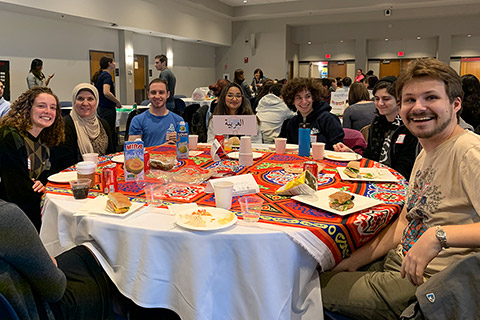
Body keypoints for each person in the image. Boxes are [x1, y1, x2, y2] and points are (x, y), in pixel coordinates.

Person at [321, 58, 480, 319]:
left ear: (455, 104)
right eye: (409, 100)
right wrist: (355, 262)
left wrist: (438, 236)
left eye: (431, 97)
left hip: (429, 285)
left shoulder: (469, 152)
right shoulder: (427, 149)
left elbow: (431, 233)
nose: (418, 108)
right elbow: (404, 222)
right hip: (398, 262)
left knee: (302, 286)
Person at [0, 199, 117, 319]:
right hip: (36, 311)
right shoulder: (6, 216)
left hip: (15, 300)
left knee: (85, 253)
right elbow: (55, 290)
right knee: (103, 266)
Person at [0, 87, 64, 231]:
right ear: (27, 108)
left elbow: (51, 174)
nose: (48, 111)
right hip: (12, 216)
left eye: (53, 108)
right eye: (41, 106)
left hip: (32, 205)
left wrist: (43, 184)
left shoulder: (46, 137)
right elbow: (17, 190)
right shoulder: (10, 137)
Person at [335, 80, 418, 180]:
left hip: (396, 180)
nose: (380, 103)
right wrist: (351, 153)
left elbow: (405, 166)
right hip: (374, 175)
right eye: (376, 99)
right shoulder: (377, 123)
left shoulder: (408, 126)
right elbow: (369, 156)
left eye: (386, 99)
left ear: (398, 100)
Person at [52, 83, 116, 172]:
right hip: (74, 177)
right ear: (74, 101)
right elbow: (65, 163)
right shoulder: (65, 125)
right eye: (80, 99)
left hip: (103, 174)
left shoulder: (103, 124)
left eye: (90, 99)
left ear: (96, 102)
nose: (85, 103)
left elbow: (110, 156)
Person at [279, 77, 344, 150]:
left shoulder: (329, 120)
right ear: (292, 101)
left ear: (314, 97)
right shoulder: (291, 123)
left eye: (308, 96)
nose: (304, 102)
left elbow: (338, 149)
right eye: (298, 98)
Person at [128, 78, 183, 147]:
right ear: (148, 95)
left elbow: (183, 149)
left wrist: (180, 140)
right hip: (148, 157)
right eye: (153, 92)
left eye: (161, 92)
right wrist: (162, 148)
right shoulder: (138, 120)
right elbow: (133, 151)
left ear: (168, 94)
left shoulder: (179, 120)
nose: (157, 96)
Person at [91, 56, 121, 149]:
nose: (115, 63)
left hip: (101, 107)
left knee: (105, 130)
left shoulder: (100, 76)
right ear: (109, 63)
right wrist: (117, 102)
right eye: (113, 62)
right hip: (107, 108)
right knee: (110, 132)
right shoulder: (107, 76)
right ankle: (111, 151)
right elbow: (106, 92)